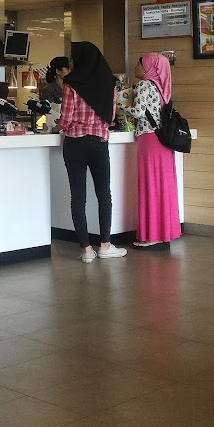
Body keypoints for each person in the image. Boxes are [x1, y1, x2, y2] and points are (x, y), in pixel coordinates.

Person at [59, 41, 127, 262]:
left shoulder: (71, 83)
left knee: (78, 197)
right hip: (99, 143)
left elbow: (66, 119)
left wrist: (60, 126)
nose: (71, 62)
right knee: (103, 194)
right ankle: (105, 245)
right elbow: (111, 117)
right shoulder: (110, 83)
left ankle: (86, 250)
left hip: (75, 144)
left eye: (73, 58)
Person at [123, 53, 181, 248]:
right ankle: (165, 233)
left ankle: (151, 236)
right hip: (163, 142)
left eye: (139, 64)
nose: (136, 67)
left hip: (148, 140)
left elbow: (138, 112)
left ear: (149, 68)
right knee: (163, 187)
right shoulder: (162, 87)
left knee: (149, 185)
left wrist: (119, 105)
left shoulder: (143, 85)